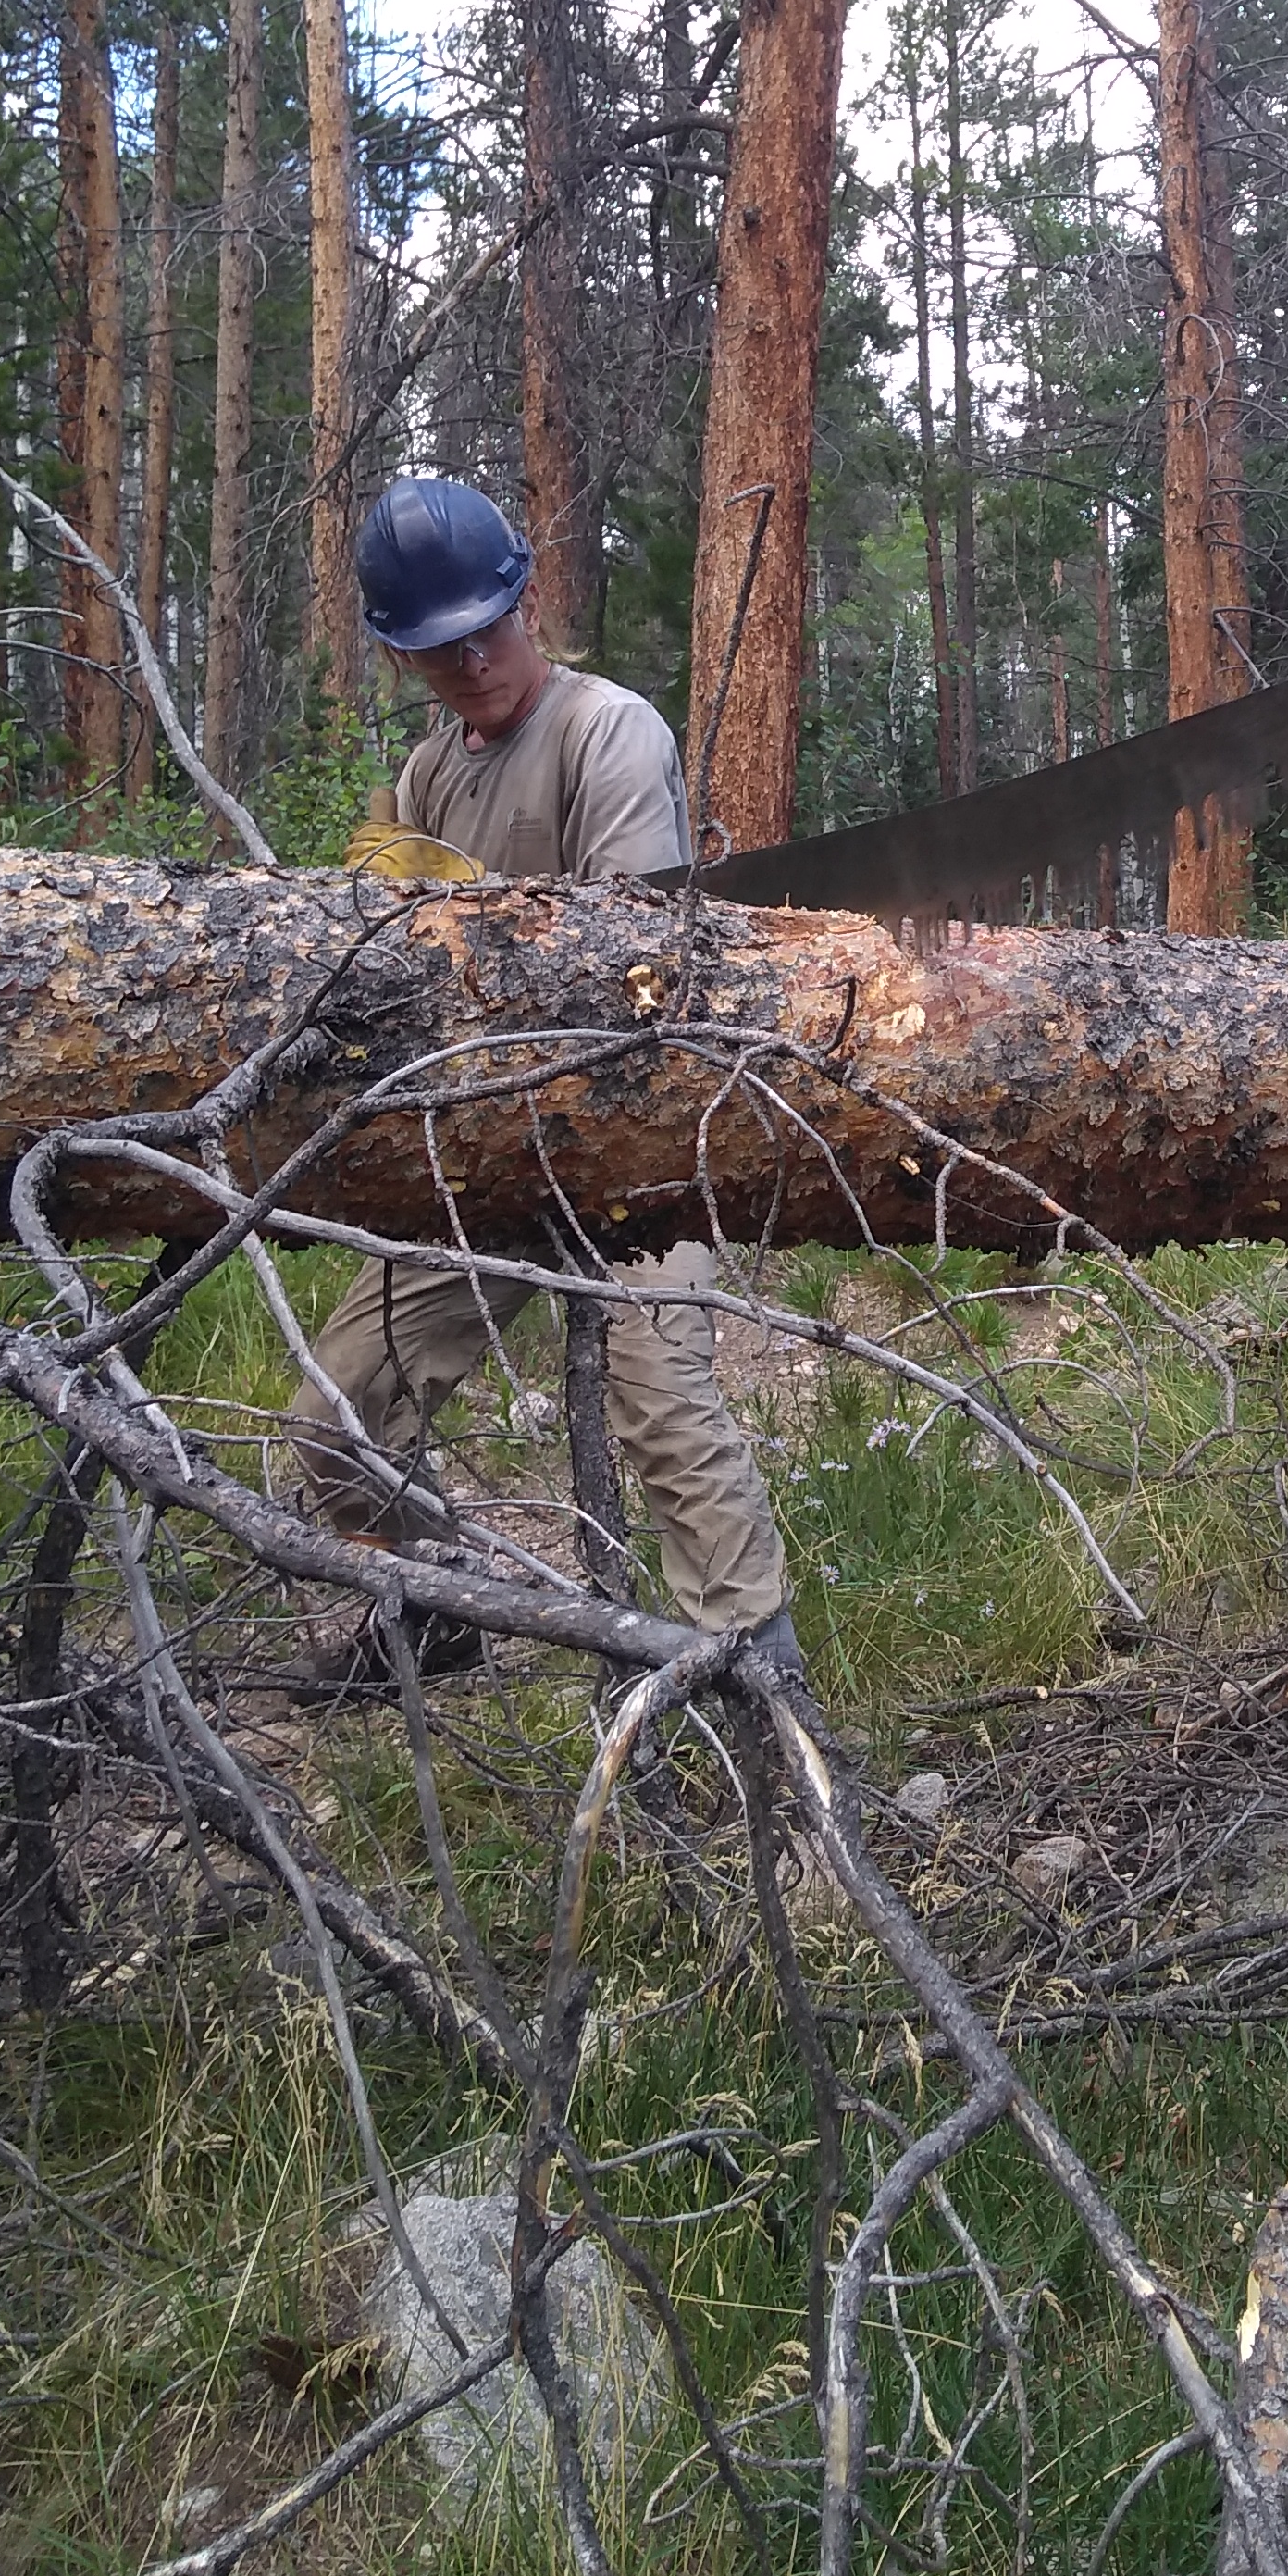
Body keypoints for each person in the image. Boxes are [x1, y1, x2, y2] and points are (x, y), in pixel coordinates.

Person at [289, 474, 800, 1676]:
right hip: (490, 1147)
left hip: (637, 1137)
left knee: (665, 1407)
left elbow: (631, 970)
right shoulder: (429, 780)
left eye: (485, 633)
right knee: (335, 1417)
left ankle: (755, 1675)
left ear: (525, 602)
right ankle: (438, 1604)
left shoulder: (603, 729)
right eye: (437, 651)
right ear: (402, 657)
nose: (470, 666)